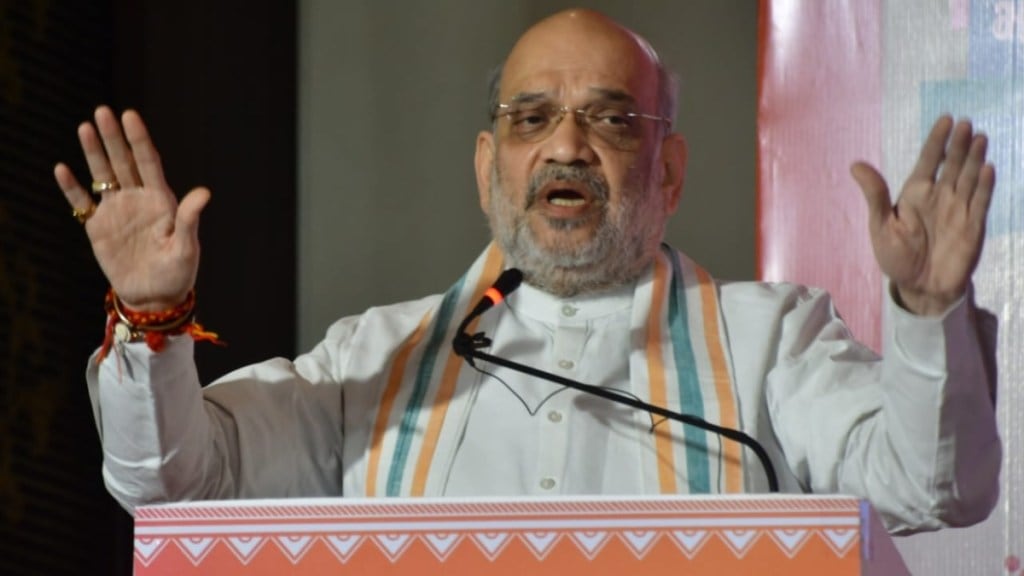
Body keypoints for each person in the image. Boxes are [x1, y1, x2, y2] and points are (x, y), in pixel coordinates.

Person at [55, 9, 1000, 535]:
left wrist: (925, 312)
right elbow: (173, 486)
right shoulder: (376, 357)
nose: (569, 147)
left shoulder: (771, 339)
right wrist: (153, 316)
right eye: (531, 117)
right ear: (486, 166)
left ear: (667, 169)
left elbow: (933, 488)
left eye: (611, 118)